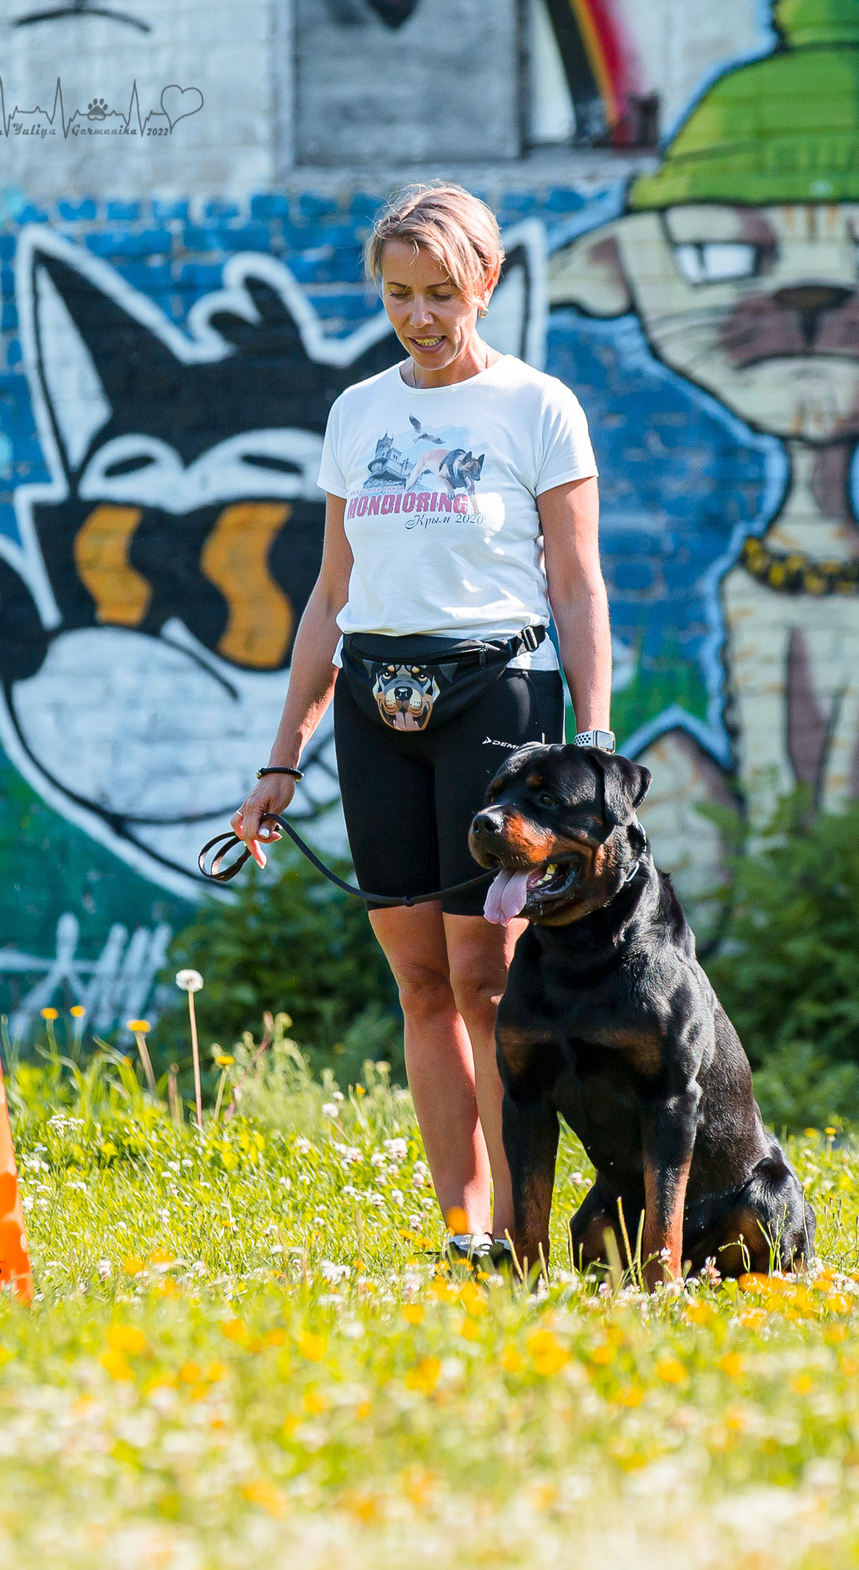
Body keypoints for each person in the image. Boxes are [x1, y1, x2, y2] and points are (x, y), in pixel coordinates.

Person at [230, 182, 612, 1263]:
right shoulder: (356, 413)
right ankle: (463, 1234)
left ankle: (523, 1230)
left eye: (441, 293)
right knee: (418, 982)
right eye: (399, 295)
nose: (419, 317)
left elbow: (579, 590)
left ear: (483, 286)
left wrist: (594, 738)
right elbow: (327, 596)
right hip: (373, 704)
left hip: (500, 705)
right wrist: (281, 759)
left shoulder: (538, 407)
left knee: (488, 980)